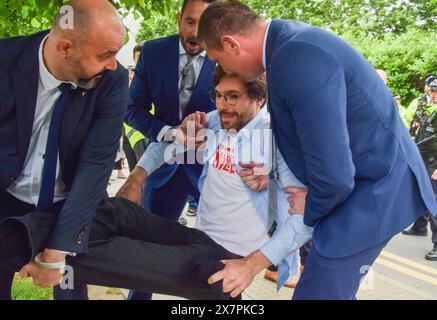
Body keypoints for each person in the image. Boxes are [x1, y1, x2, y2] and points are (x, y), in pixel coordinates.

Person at [0, 67, 311, 300]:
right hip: (197, 235)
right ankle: (19, 232)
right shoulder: (216, 121)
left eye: (232, 97)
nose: (223, 104)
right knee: (113, 211)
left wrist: (252, 266)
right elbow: (167, 143)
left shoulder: (278, 140)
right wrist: (137, 177)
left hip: (229, 257)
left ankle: (18, 246)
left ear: (259, 97)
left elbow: (303, 220)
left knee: (112, 255)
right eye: (218, 95)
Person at [196, 0, 437, 300]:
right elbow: (308, 141)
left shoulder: (296, 60)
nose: (224, 69)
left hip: (373, 195)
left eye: (220, 60)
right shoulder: (288, 45)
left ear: (231, 44)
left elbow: (335, 176)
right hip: (359, 188)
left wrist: (309, 205)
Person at [0, 0, 128, 300]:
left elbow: (96, 164)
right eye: (105, 55)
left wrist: (56, 251)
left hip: (67, 206)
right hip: (4, 200)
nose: (112, 64)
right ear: (66, 49)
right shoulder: (4, 60)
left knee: (71, 293)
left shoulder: (113, 80)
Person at [124, 0, 217, 299]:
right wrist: (168, 133)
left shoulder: (226, 55)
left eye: (203, 25)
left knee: (218, 250)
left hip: (213, 170)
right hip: (162, 166)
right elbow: (132, 108)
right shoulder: (153, 52)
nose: (195, 33)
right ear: (178, 18)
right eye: (189, 22)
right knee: (148, 249)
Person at [402, 75, 437, 261]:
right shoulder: (431, 111)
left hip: (434, 164)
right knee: (419, 194)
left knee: (434, 203)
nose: (433, 94)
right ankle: (419, 226)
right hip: (424, 160)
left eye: (436, 91)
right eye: (432, 90)